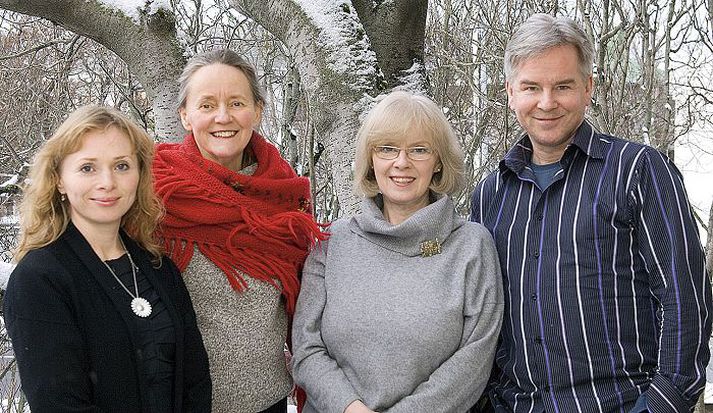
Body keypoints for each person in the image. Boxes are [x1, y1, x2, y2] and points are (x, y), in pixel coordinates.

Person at [470, 13, 713, 413]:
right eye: (531, 87)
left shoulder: (637, 170)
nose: (546, 102)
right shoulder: (490, 195)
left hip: (618, 402)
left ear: (587, 88)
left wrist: (662, 404)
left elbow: (685, 300)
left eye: (562, 86)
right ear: (511, 92)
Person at [292, 90, 504, 413]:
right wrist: (351, 408)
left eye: (419, 150)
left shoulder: (472, 247)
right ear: (371, 160)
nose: (401, 162)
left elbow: (475, 357)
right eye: (387, 149)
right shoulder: (332, 241)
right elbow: (306, 347)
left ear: (438, 163)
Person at [3, 105, 211, 413]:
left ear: (139, 174)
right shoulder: (40, 279)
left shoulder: (158, 267)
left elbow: (195, 382)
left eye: (122, 166)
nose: (107, 182)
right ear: (59, 179)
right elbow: (59, 405)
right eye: (88, 168)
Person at [152, 49, 325, 413]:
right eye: (207, 105)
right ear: (185, 115)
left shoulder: (286, 198)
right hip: (179, 402)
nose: (223, 117)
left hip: (268, 401)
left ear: (257, 111)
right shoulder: (157, 191)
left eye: (236, 102)